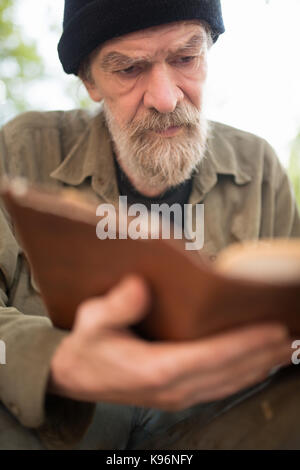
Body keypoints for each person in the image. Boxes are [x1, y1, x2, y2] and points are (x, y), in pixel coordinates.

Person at [0, 0, 299, 450]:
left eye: (185, 58)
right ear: (89, 81)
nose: (166, 98)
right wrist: (58, 363)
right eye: (129, 69)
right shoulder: (19, 153)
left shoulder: (259, 170)